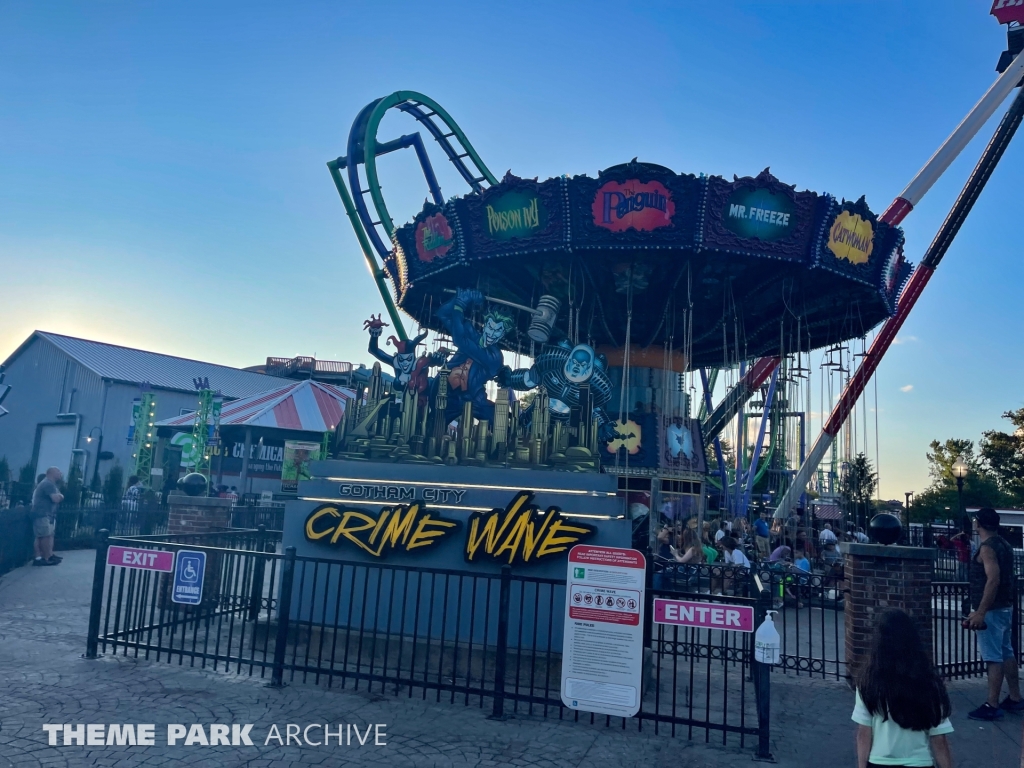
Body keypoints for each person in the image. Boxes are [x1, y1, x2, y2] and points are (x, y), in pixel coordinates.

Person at [852, 608, 953, 768]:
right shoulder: (929, 682)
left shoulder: (869, 681)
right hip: (919, 762)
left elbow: (864, 733)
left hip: (879, 762)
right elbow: (939, 739)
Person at [966, 507, 1024, 721]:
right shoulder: (1004, 545)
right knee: (1006, 651)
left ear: (978, 523)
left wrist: (980, 611)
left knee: (992, 657)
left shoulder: (987, 548)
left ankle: (992, 703)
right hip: (1005, 606)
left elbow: (993, 579)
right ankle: (1015, 697)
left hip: (990, 610)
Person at [30, 467, 63, 567]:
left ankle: (48, 555)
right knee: (43, 536)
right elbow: (56, 499)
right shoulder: (48, 484)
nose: (60, 473)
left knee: (48, 535)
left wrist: (59, 495)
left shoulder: (50, 484)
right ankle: (43, 558)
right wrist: (61, 496)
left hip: (46, 514)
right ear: (51, 473)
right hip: (41, 514)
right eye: (58, 471)